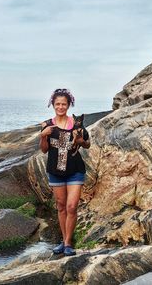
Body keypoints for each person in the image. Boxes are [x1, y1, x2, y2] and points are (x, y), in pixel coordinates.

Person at [39, 88, 90, 256]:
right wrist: (43, 136)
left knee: (72, 206)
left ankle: (68, 243)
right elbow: (44, 150)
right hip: (55, 171)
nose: (61, 107)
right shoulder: (47, 125)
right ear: (52, 105)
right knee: (61, 206)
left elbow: (87, 144)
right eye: (57, 104)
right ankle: (64, 240)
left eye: (64, 104)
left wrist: (81, 140)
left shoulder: (77, 125)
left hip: (75, 170)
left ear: (69, 105)